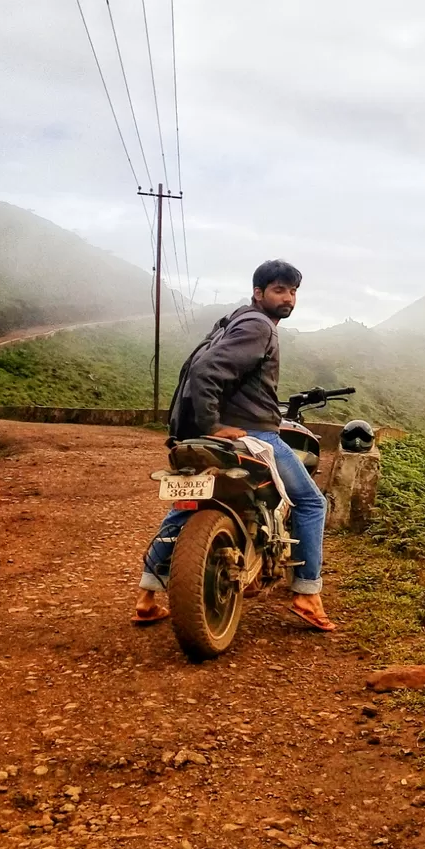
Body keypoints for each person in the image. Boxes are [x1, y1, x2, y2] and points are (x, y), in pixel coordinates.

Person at [131, 259, 336, 632]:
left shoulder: (236, 320)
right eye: (279, 290)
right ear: (258, 293)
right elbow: (206, 371)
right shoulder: (259, 327)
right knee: (310, 502)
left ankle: (146, 596)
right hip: (254, 434)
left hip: (198, 433)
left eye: (293, 291)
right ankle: (307, 592)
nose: (288, 298)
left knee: (187, 505)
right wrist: (215, 426)